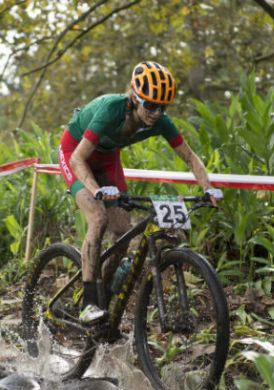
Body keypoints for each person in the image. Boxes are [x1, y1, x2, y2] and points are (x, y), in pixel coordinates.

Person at [57, 61, 223, 324]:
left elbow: (190, 157)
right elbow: (78, 159)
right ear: (135, 97)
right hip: (75, 152)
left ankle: (104, 295)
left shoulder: (159, 121)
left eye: (162, 107)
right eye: (150, 105)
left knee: (122, 233)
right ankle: (88, 303)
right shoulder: (111, 110)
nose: (155, 113)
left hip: (108, 158)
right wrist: (96, 191)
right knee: (98, 219)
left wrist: (208, 188)